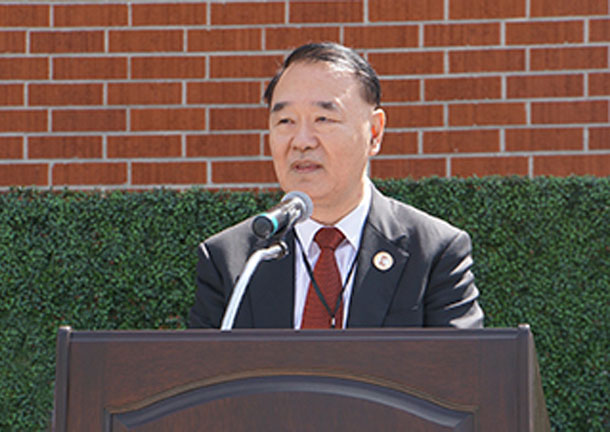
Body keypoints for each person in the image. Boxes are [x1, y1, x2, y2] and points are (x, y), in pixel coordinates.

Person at [188, 42, 484, 329]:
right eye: (286, 121)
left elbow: (459, 362)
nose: (302, 141)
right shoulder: (232, 260)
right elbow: (205, 363)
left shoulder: (432, 253)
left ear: (374, 133)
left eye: (323, 119)